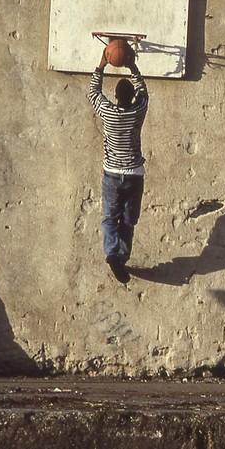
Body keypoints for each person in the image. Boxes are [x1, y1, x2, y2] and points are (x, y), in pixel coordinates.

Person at [87, 46, 149, 284]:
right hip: (134, 174)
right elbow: (144, 92)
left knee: (109, 217)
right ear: (131, 97)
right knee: (128, 219)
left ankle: (112, 253)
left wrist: (102, 63)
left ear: (115, 97)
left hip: (112, 173)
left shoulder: (108, 112)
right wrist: (132, 64)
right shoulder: (137, 112)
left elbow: (93, 92)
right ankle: (121, 256)